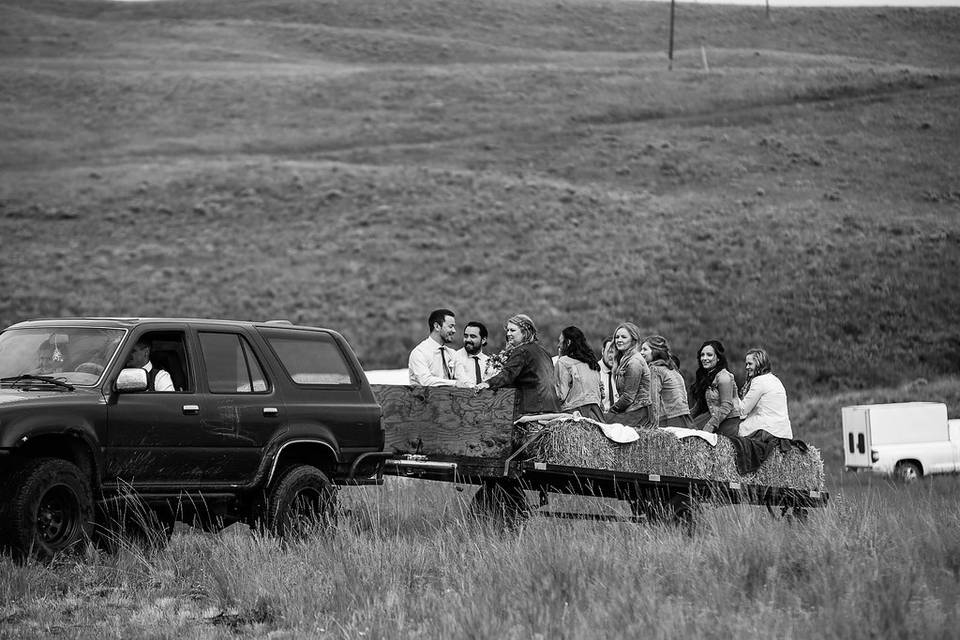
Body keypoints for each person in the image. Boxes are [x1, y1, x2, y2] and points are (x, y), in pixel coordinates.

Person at [476, 314, 559, 415]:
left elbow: (508, 374)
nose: (508, 334)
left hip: (534, 409)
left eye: (512, 330)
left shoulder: (522, 351)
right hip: (552, 407)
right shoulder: (544, 352)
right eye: (507, 330)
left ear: (525, 332)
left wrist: (488, 383)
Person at [689, 340, 741, 437]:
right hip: (714, 416)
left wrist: (710, 425)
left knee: (696, 435)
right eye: (702, 355)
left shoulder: (724, 377)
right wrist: (684, 418)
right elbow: (699, 407)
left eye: (709, 355)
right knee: (688, 429)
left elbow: (726, 406)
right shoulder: (707, 376)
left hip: (728, 420)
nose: (704, 358)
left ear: (718, 358)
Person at [408, 308, 471, 387]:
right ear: (437, 326)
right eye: (450, 326)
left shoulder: (452, 354)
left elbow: (462, 377)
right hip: (425, 398)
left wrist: (474, 386)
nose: (454, 330)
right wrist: (454, 383)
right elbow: (426, 381)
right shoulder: (419, 353)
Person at [738, 347, 793, 439]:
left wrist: (733, 395)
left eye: (750, 364)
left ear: (759, 364)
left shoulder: (759, 381)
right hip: (783, 432)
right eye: (746, 364)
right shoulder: (775, 379)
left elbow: (743, 410)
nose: (747, 367)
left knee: (731, 431)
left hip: (766, 430)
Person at [604, 323, 651, 427]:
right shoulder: (624, 360)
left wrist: (612, 410)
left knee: (602, 421)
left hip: (637, 413)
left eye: (624, 337)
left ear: (633, 340)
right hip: (629, 410)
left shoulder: (634, 362)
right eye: (617, 337)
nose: (619, 340)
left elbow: (628, 397)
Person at [640, 335, 692, 428]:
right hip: (685, 418)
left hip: (670, 419)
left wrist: (652, 424)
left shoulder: (655, 369)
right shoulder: (673, 369)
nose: (641, 352)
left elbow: (653, 399)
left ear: (655, 351)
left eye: (645, 349)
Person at [554, 326, 603, 421]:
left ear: (568, 342)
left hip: (575, 413)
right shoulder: (592, 363)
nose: (558, 345)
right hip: (596, 414)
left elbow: (560, 395)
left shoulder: (564, 362)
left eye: (560, 341)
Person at [454, 321, 492, 385]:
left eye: (473, 336)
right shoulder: (456, 357)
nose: (468, 340)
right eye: (466, 336)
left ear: (483, 340)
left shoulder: (489, 362)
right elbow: (461, 379)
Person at [598, 337, 619, 412]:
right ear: (603, 351)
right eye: (610, 352)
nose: (613, 356)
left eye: (616, 352)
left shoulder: (622, 373)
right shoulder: (594, 372)